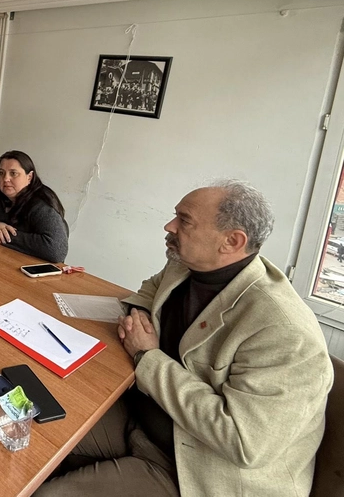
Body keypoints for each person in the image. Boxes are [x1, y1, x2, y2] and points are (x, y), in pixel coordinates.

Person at [36, 180, 333, 497]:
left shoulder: (285, 332)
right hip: (141, 419)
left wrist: (147, 356)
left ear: (231, 241)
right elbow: (150, 290)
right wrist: (138, 317)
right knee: (36, 419)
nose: (169, 226)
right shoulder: (185, 264)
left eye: (184, 220)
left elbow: (243, 442)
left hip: (195, 470)